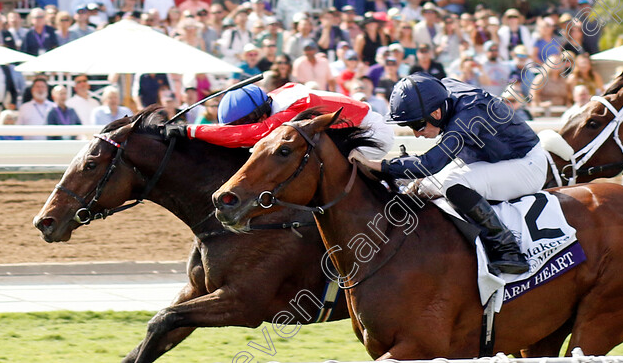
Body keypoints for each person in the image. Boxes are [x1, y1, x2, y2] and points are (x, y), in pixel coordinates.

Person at [347, 72, 548, 274]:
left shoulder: (467, 116)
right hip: (486, 157)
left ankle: (507, 249)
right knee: (419, 187)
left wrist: (381, 165)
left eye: (417, 124)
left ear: (436, 113)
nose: (416, 133)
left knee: (452, 184)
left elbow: (430, 164)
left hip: (526, 164)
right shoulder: (440, 93)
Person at [162, 83, 393, 161]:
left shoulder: (292, 106)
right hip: (345, 132)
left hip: (370, 134)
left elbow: (251, 135)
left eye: (246, 121)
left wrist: (189, 130)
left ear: (259, 113)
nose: (244, 126)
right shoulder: (270, 101)